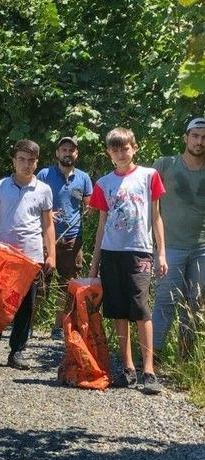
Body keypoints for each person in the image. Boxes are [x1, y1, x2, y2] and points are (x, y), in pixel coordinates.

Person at [89, 127, 167, 395]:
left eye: (125, 148)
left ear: (134, 148)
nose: (121, 153)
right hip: (112, 253)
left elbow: (156, 217)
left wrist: (161, 253)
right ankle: (127, 367)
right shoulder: (103, 183)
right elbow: (101, 225)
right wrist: (94, 263)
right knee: (118, 311)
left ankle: (149, 370)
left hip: (140, 251)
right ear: (108, 152)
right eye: (115, 149)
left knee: (141, 309)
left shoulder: (149, 176)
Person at [0, 139, 56, 370]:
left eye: (31, 160)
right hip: (4, 255)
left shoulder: (44, 190)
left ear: (36, 163)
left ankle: (17, 352)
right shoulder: (1, 186)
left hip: (32, 258)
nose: (26, 164)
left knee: (25, 307)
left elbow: (48, 225)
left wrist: (52, 255)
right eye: (21, 159)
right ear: (14, 160)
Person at [151, 117, 205, 359]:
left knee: (195, 305)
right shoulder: (165, 165)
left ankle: (185, 360)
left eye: (204, 138)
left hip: (202, 248)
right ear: (185, 138)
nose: (199, 141)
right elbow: (147, 204)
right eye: (195, 136)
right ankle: (152, 358)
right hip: (169, 247)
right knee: (164, 303)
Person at [36, 137, 93, 340]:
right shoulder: (44, 174)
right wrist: (47, 215)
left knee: (66, 284)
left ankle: (58, 326)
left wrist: (90, 208)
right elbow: (33, 201)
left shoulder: (84, 178)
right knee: (40, 281)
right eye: (64, 149)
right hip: (45, 237)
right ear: (57, 153)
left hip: (72, 237)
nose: (68, 153)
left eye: (71, 150)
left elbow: (89, 202)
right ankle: (27, 325)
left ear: (76, 154)